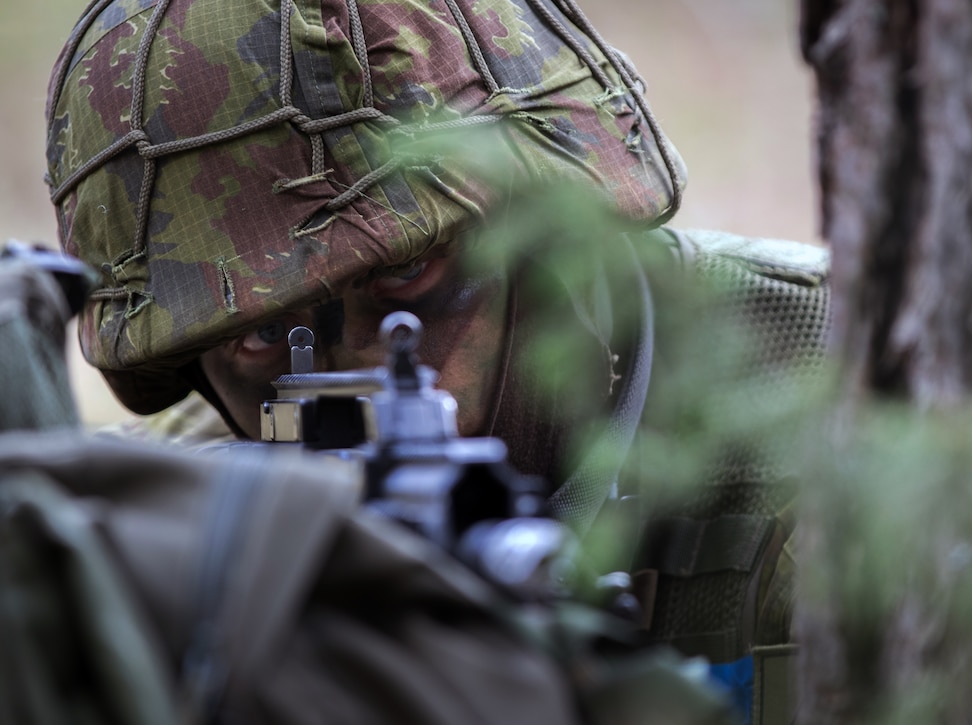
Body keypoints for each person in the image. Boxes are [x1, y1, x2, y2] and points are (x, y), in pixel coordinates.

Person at [45, 0, 829, 721]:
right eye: (258, 334)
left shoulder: (850, 426)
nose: (362, 375)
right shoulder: (164, 532)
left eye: (402, 275)